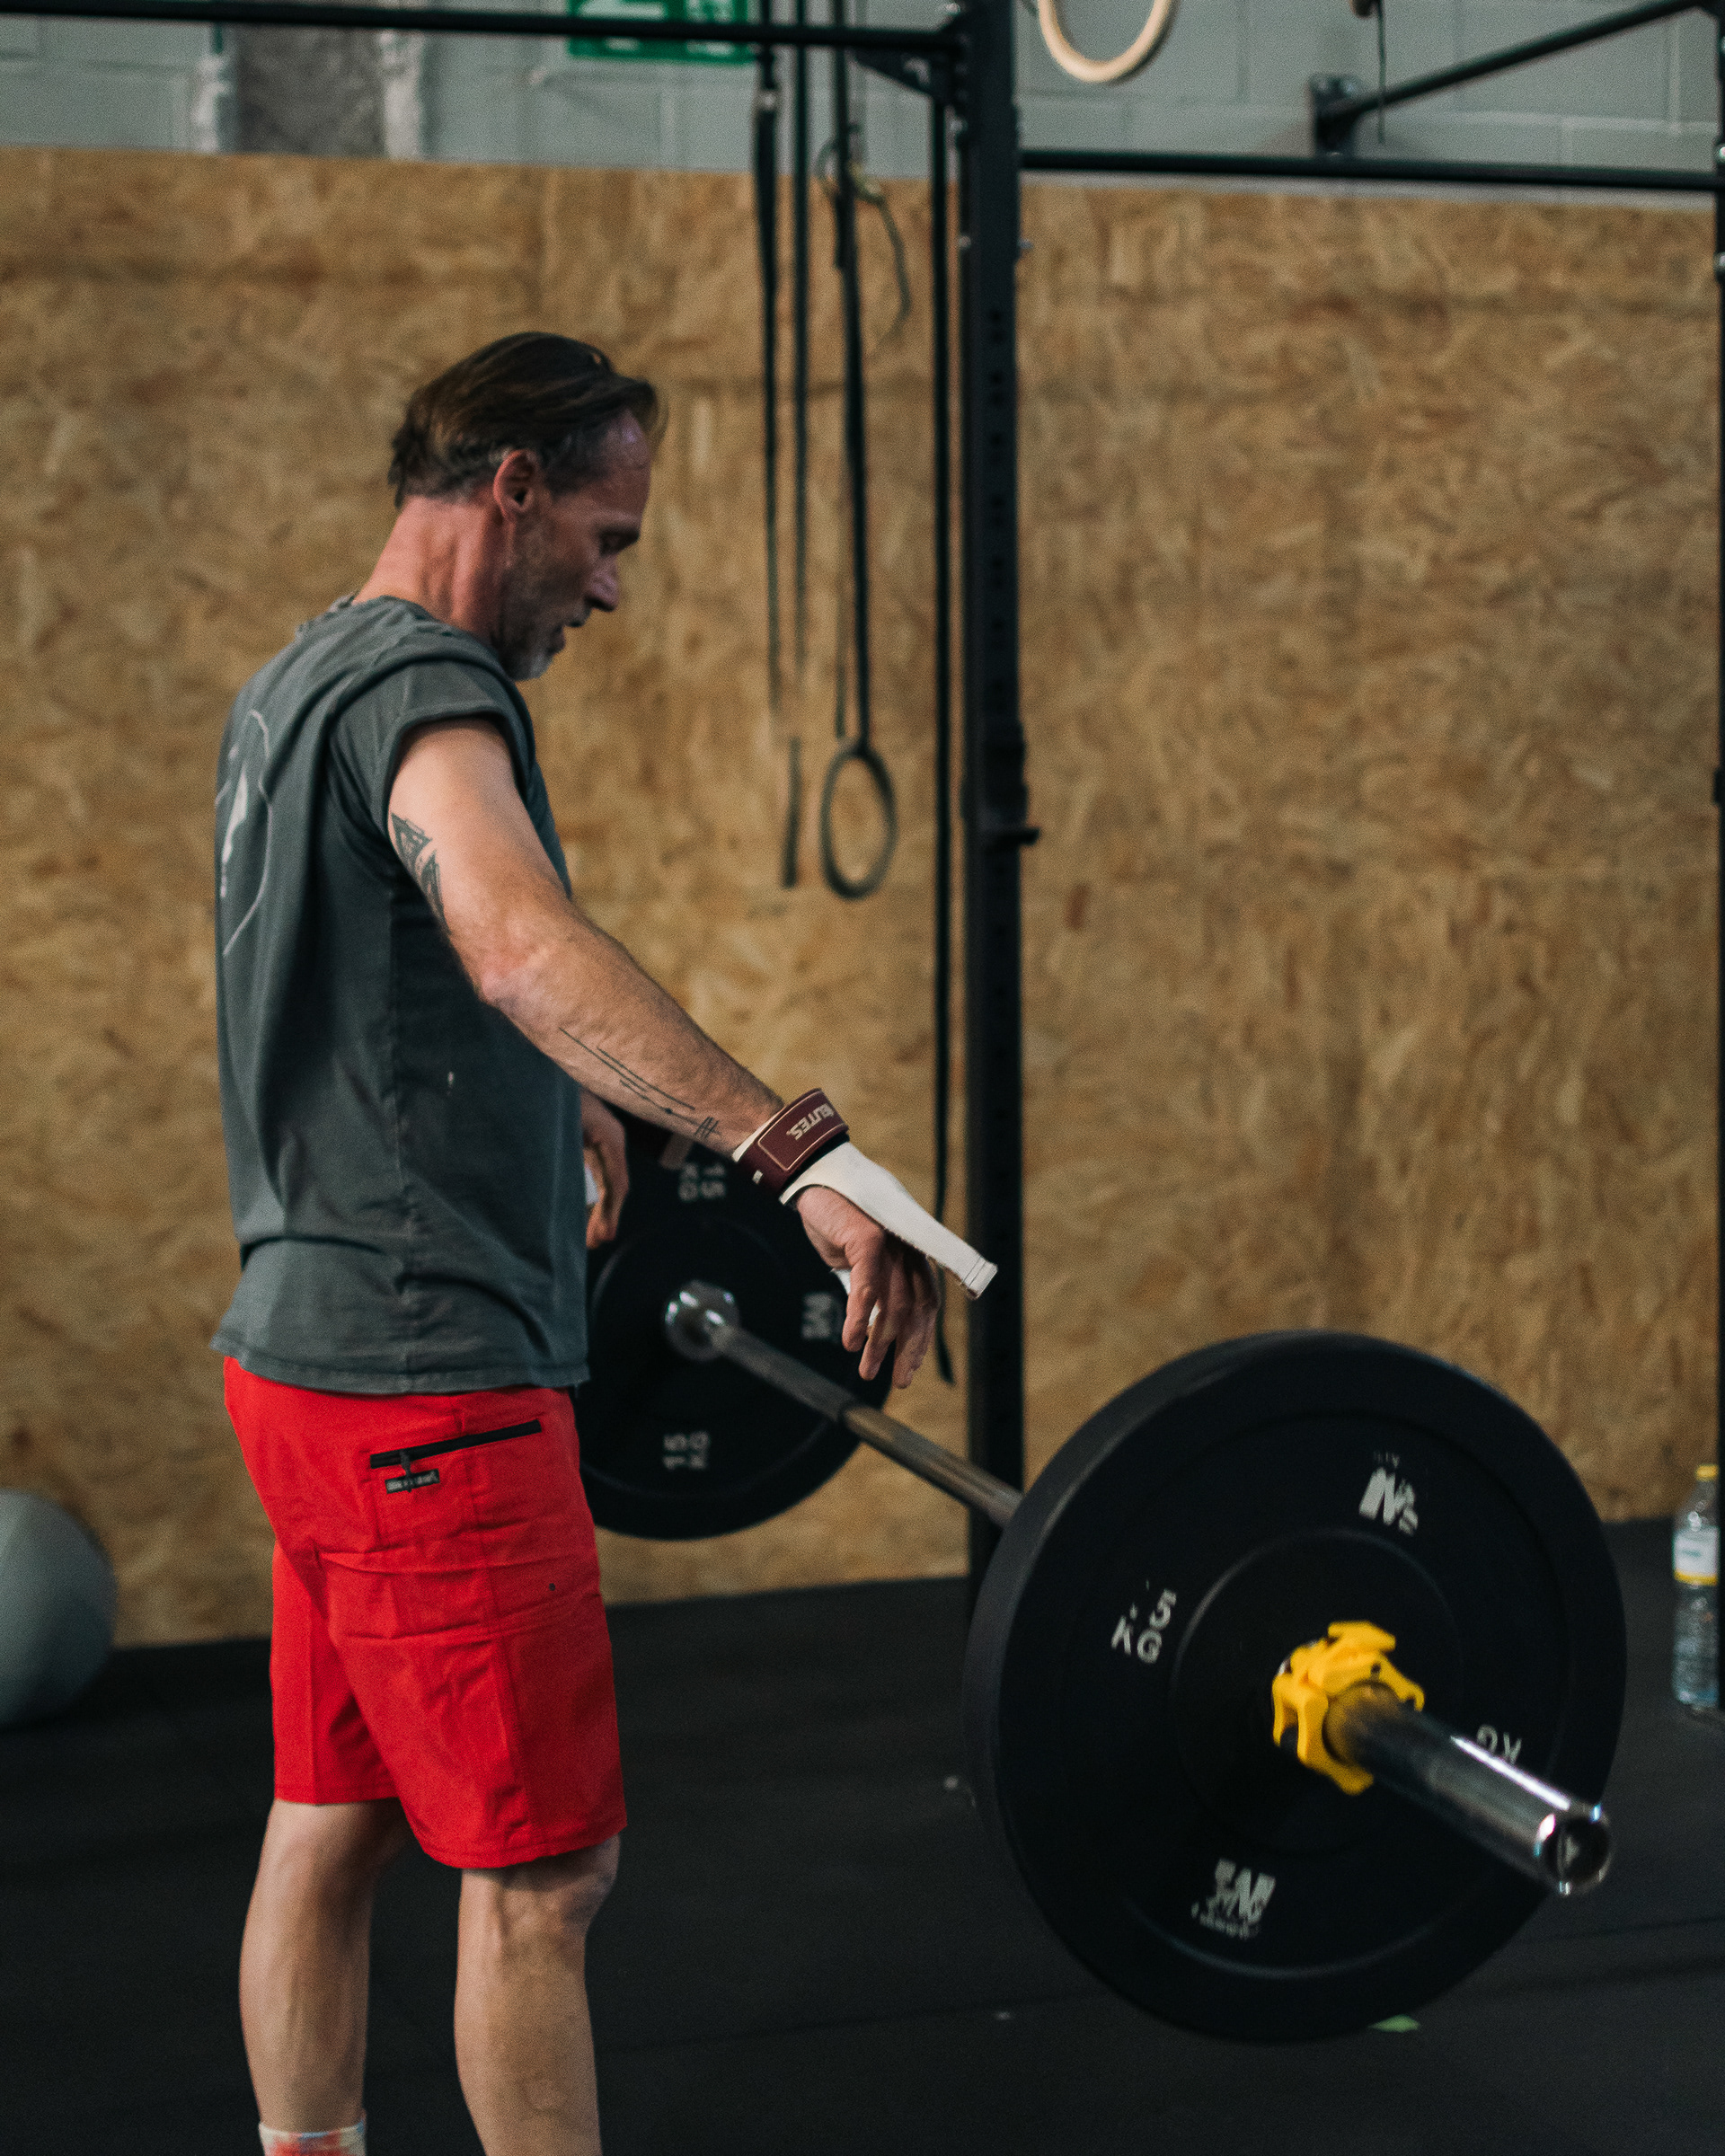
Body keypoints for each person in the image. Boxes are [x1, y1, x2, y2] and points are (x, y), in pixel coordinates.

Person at [211, 332, 984, 2156]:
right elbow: (509, 936)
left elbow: (392, 962)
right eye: (606, 536)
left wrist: (560, 1087)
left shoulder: (292, 685)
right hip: (435, 1386)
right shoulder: (431, 685)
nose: (613, 586)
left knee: (331, 1818)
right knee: (541, 1880)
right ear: (513, 488)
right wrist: (792, 1153)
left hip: (301, 1362)